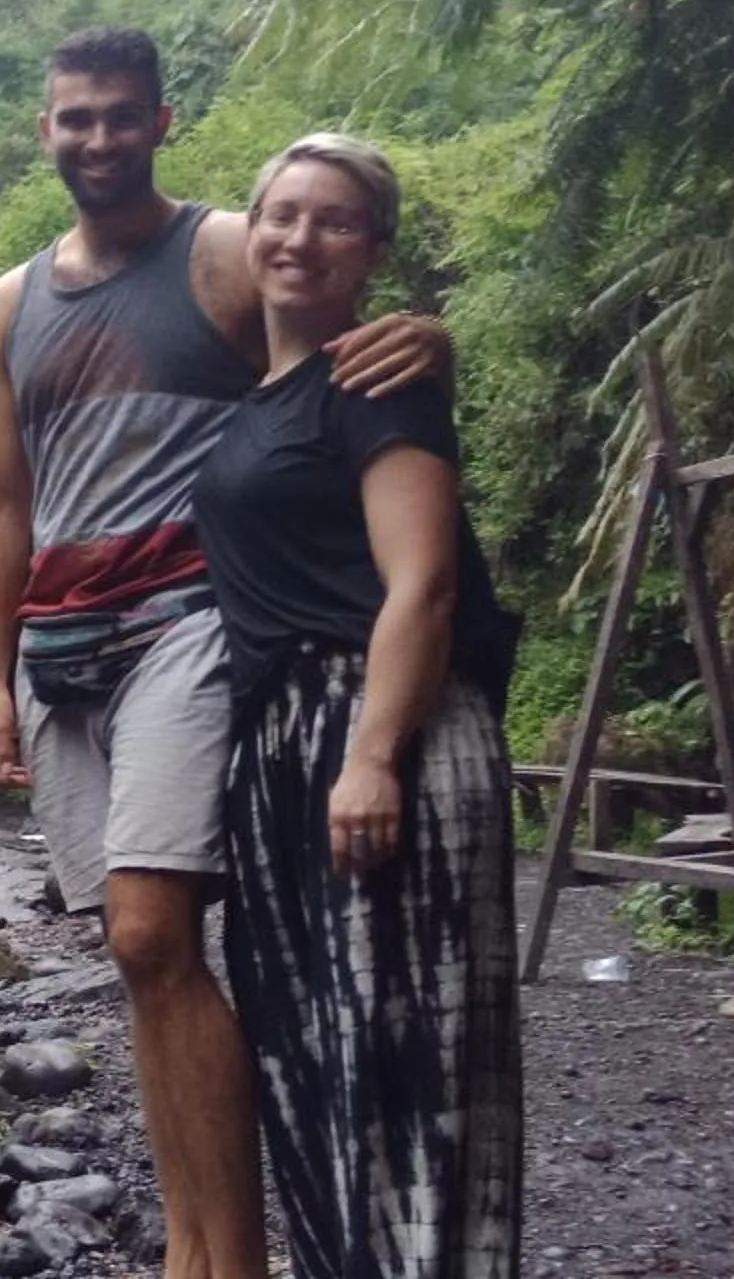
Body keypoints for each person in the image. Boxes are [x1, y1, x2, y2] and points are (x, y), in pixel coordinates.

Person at [0, 28, 450, 1279]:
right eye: (78, 118)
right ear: (45, 130)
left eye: (124, 117)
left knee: (145, 933)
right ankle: (196, 1245)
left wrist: (427, 339)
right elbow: (0, 498)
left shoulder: (224, 248)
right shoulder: (12, 303)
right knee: (145, 960)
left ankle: (228, 1262)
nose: (100, 140)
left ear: (163, 122)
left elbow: (332, 316)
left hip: (187, 623)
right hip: (60, 648)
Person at [191, 133, 523, 1278]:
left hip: (384, 731)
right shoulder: (257, 399)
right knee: (310, 1055)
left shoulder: (382, 378)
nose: (301, 238)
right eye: (282, 213)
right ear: (250, 231)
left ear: (374, 250)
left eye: (336, 221)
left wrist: (375, 752)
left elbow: (423, 585)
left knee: (409, 1065)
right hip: (283, 748)